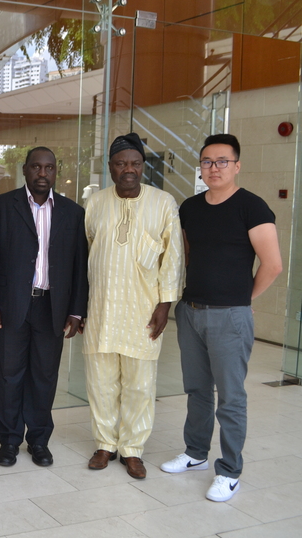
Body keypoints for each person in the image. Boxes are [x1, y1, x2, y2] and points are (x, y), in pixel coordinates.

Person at [161, 134, 282, 502]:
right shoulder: (191, 207)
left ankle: (229, 471)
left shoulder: (252, 207)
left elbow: (273, 265)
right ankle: (196, 453)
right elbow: (186, 257)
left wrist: (242, 301)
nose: (214, 168)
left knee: (231, 397)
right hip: (191, 312)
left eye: (222, 161)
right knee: (197, 390)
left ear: (237, 165)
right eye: (207, 162)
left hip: (230, 317)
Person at [83, 133, 183, 479]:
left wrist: (165, 304)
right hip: (102, 308)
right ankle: (105, 444)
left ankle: (133, 449)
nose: (129, 169)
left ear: (143, 167)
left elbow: (173, 258)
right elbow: (89, 250)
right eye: (121, 163)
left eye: (135, 163)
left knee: (140, 384)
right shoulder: (95, 203)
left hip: (143, 308)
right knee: (101, 381)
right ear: (110, 168)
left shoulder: (164, 203)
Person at [0, 147, 88, 468]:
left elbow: (79, 266)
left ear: (56, 171)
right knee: (8, 375)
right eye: (36, 167)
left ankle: (39, 440)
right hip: (12, 305)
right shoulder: (1, 207)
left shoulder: (73, 212)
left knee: (44, 376)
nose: (43, 174)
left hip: (52, 307)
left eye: (49, 168)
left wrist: (76, 310)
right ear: (25, 170)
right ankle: (10, 440)